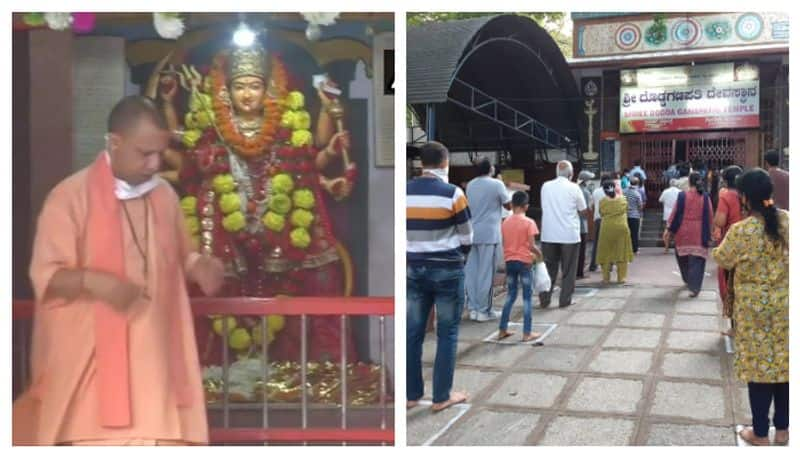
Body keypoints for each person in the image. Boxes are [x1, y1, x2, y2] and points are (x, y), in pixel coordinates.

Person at [13, 96, 225, 445]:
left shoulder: (165, 197)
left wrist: (200, 267)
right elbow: (46, 277)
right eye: (145, 153)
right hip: (91, 387)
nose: (155, 163)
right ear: (115, 142)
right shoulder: (69, 197)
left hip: (158, 379)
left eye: (160, 152)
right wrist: (94, 282)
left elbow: (179, 257)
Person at [155, 45, 357, 363]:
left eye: (254, 86)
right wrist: (168, 103)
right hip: (225, 218)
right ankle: (217, 368)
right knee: (218, 279)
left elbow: (306, 163)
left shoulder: (283, 126)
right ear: (227, 90)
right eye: (239, 86)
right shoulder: (215, 126)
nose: (247, 94)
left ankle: (289, 365)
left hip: (280, 217)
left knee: (304, 272)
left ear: (267, 89)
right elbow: (179, 143)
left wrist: (332, 152)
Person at [712, 168, 788, 446]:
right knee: (785, 365)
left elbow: (722, 258)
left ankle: (759, 432)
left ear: (744, 198)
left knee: (759, 371)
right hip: (787, 309)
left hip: (753, 313)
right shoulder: (789, 222)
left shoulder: (741, 231)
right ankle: (782, 430)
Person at [406, 141, 472, 412]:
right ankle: (441, 396)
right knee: (447, 332)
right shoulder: (453, 193)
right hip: (447, 270)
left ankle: (411, 395)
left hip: (411, 270)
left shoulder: (403, 192)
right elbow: (468, 237)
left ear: (422, 163)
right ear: (445, 163)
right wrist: (456, 256)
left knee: (412, 333)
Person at [464, 157, 511, 321]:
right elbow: (508, 205)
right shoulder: (496, 184)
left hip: (472, 233)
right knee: (486, 272)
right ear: (490, 169)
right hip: (489, 234)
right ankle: (484, 310)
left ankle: (473, 308)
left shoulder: (470, 184)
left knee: (471, 272)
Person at [539, 161, 589, 308]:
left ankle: (544, 300)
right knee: (569, 269)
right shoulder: (575, 188)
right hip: (569, 235)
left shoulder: (545, 186)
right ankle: (565, 300)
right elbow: (583, 210)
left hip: (548, 234)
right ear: (571, 174)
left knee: (549, 269)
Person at [497, 191, 542, 342]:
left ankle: (502, 329)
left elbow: (505, 243)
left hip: (510, 262)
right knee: (527, 298)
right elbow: (531, 246)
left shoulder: (505, 222)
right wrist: (540, 254)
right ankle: (527, 332)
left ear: (511, 205)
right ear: (526, 206)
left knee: (510, 295)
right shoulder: (529, 222)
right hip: (524, 263)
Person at [663, 172, 714, 297]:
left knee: (683, 257)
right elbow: (710, 215)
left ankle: (687, 279)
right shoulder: (705, 197)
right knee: (698, 260)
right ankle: (694, 287)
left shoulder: (682, 195)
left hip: (683, 232)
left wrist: (668, 228)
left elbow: (675, 213)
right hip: (700, 231)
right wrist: (711, 230)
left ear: (689, 182)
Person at [713, 165, 744, 337]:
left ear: (725, 180)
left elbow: (719, 221)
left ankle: (734, 327)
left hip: (732, 244)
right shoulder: (747, 194)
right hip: (749, 242)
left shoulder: (726, 196)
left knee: (730, 285)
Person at [596, 176, 634, 284]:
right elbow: (627, 209)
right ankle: (621, 278)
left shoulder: (603, 201)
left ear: (604, 190)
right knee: (621, 251)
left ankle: (606, 277)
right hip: (622, 227)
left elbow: (601, 213)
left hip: (607, 228)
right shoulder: (623, 199)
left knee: (606, 252)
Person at [588, 173, 610, 272]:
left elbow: (590, 205)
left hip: (597, 219)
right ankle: (608, 265)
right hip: (609, 219)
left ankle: (593, 265)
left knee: (596, 243)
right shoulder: (610, 191)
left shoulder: (596, 191)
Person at [577, 170, 595, 278]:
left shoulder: (574, 189)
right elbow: (589, 208)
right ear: (586, 181)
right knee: (581, 251)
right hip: (582, 225)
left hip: (572, 224)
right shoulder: (586, 192)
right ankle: (580, 273)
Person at [622, 176, 644, 254]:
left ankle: (625, 248)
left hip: (625, 215)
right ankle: (634, 249)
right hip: (635, 215)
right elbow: (640, 206)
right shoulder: (637, 193)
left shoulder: (624, 191)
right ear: (637, 183)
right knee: (634, 233)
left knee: (626, 233)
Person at [659, 178, 680, 252]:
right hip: (677, 214)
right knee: (677, 231)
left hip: (667, 214)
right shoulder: (679, 192)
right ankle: (677, 247)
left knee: (667, 231)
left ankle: (666, 248)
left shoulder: (665, 191)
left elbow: (660, 200)